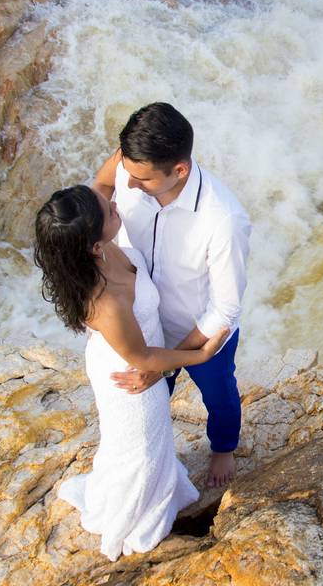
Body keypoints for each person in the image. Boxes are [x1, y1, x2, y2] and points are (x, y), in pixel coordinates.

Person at [33, 184, 229, 561]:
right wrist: (201, 355)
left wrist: (131, 147)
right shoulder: (105, 301)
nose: (114, 203)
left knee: (153, 440)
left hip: (139, 354)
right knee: (138, 447)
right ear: (93, 246)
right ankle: (135, 512)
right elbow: (141, 356)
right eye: (108, 211)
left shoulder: (88, 238)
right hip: (129, 375)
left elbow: (105, 178)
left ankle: (160, 484)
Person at [93, 102, 252, 488]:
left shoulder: (223, 220)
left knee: (220, 397)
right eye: (127, 171)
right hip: (145, 322)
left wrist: (166, 362)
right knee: (146, 403)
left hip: (198, 331)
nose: (128, 185)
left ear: (179, 170)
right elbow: (100, 185)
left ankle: (224, 448)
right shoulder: (131, 168)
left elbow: (226, 307)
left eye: (142, 179)